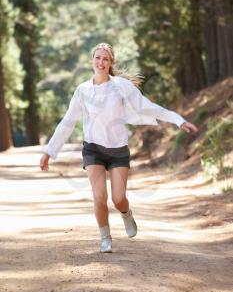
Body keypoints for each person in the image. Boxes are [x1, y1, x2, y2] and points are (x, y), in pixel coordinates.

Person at [40, 43, 198, 253]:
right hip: (93, 149)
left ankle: (126, 214)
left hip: (117, 150)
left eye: (105, 59)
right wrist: (49, 152)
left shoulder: (121, 87)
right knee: (99, 197)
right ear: (92, 60)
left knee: (118, 198)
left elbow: (148, 107)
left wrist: (178, 120)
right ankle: (105, 237)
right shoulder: (83, 90)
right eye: (98, 58)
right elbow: (67, 122)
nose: (101, 62)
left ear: (111, 63)